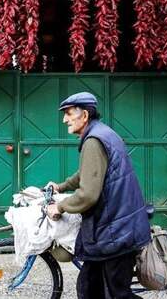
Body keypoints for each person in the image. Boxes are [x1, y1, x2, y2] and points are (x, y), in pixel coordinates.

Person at [46, 92, 151, 299]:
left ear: (84, 115)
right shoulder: (102, 133)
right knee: (89, 287)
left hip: (115, 230)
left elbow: (87, 195)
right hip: (111, 228)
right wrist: (62, 186)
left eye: (68, 113)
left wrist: (59, 207)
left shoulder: (94, 140)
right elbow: (87, 173)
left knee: (117, 294)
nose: (64, 119)